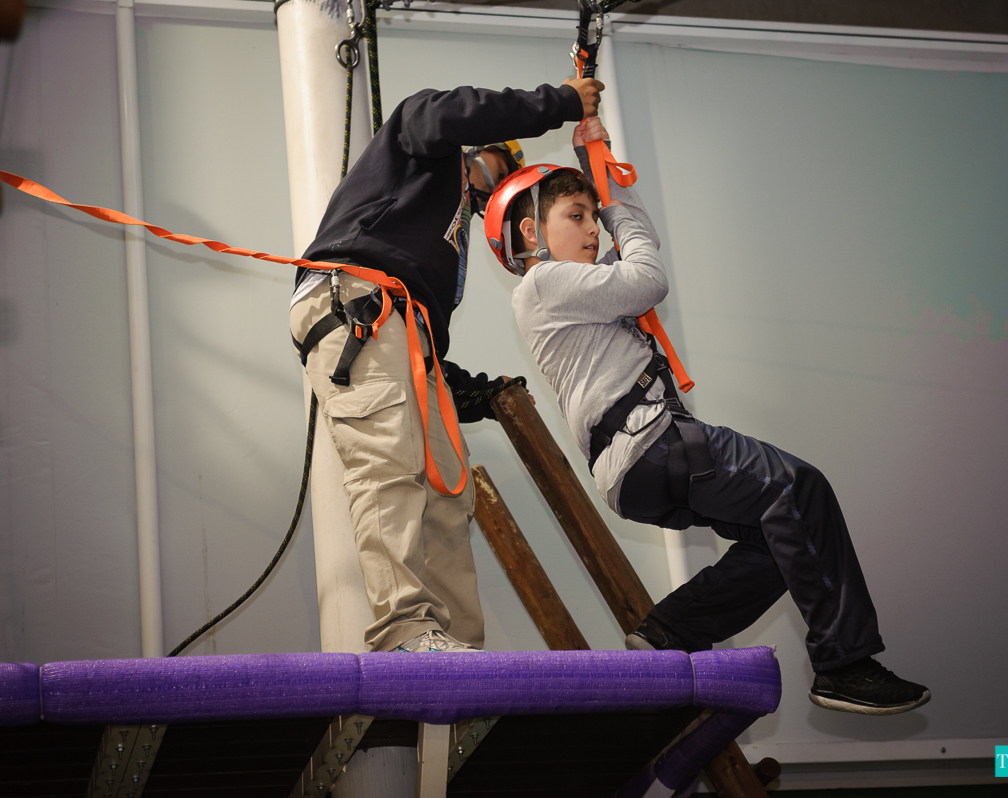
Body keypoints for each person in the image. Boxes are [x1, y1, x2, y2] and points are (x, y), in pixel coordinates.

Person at [484, 117, 930, 714]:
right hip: (654, 445)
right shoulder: (543, 285)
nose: (592, 228)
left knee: (782, 543)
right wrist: (615, 213)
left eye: (592, 217)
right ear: (529, 231)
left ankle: (671, 634)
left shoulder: (578, 290)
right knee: (799, 489)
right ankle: (844, 663)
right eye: (576, 216)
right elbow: (647, 276)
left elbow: (641, 248)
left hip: (640, 467)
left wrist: (600, 165)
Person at [289, 79, 603, 653]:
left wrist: (477, 393)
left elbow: (421, 350)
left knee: (446, 493)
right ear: (475, 145)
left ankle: (458, 649)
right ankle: (404, 629)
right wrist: (559, 104)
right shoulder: (419, 138)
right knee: (388, 464)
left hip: (400, 327)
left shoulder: (440, 244)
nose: (485, 190)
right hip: (357, 300)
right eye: (491, 169)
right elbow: (451, 114)